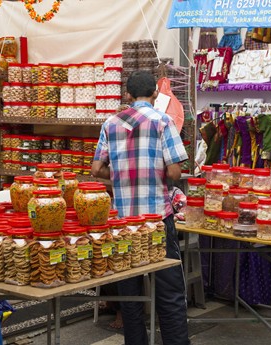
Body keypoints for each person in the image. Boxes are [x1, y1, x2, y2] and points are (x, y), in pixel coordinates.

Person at [92, 70, 190, 345]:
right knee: (169, 291)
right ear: (156, 94)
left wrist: (124, 174)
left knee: (129, 290)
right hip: (156, 219)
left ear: (127, 95)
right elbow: (173, 172)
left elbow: (96, 168)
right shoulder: (163, 120)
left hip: (123, 223)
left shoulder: (110, 123)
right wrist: (150, 172)